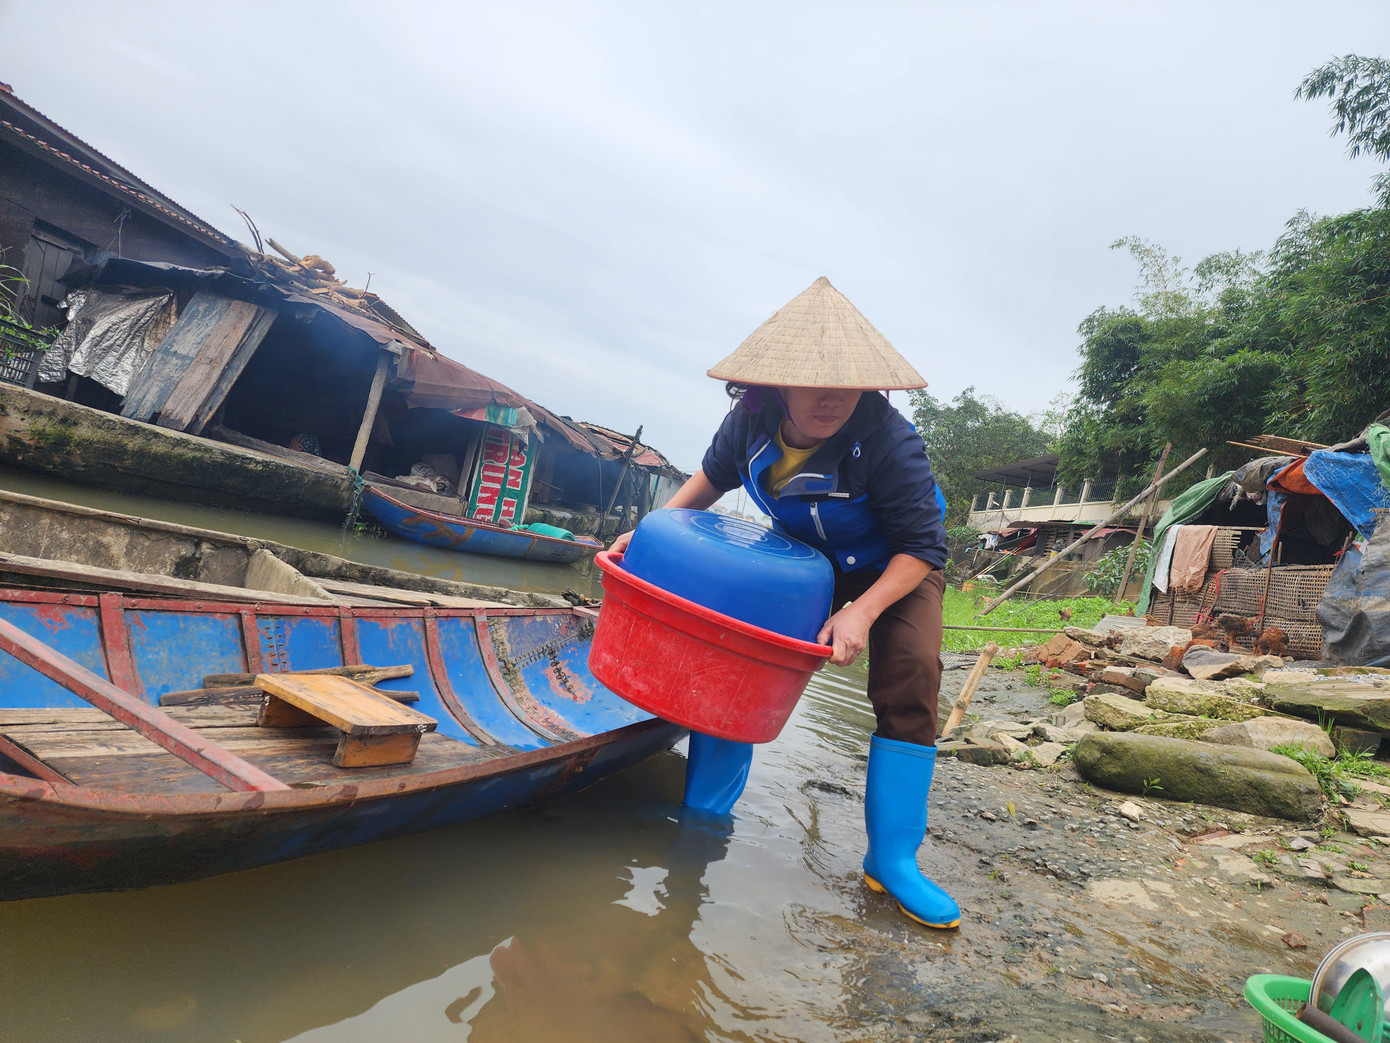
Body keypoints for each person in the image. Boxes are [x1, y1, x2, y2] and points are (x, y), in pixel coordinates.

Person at [609, 276, 959, 930]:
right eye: (814, 382)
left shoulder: (890, 441)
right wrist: (648, 535)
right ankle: (705, 817)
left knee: (912, 672)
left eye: (848, 384)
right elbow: (708, 483)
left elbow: (921, 546)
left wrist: (860, 612)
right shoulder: (748, 423)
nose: (832, 398)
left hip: (898, 566)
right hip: (801, 559)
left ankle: (892, 859)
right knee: (731, 656)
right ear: (775, 385)